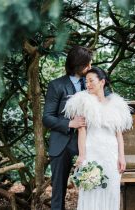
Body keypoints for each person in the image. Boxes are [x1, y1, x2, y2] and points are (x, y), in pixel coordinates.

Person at [63, 66, 133, 210]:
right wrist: (82, 156)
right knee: (91, 191)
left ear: (102, 82)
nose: (87, 84)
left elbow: (118, 134)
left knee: (111, 191)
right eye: (86, 81)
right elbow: (82, 131)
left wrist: (121, 157)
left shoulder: (116, 105)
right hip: (92, 152)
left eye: (91, 81)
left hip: (111, 153)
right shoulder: (83, 102)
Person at [42, 45, 92, 210]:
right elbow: (47, 118)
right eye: (87, 64)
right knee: (58, 192)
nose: (90, 68)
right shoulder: (56, 85)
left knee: (92, 185)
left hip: (88, 143)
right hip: (61, 144)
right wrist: (70, 123)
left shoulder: (92, 83)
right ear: (78, 65)